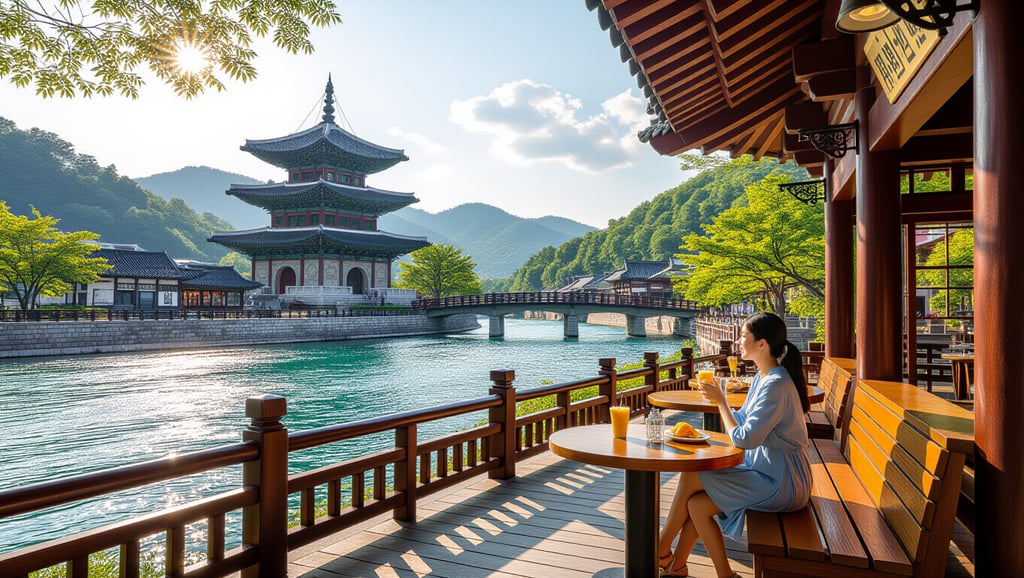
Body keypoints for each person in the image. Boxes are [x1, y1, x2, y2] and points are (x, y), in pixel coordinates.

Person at [658, 312, 812, 578]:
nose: (738, 341)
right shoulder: (763, 377)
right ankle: (687, 568)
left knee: (694, 472)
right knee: (697, 505)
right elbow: (743, 422)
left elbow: (744, 438)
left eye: (743, 336)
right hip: (770, 472)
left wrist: (720, 402)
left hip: (783, 481)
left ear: (762, 344)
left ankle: (659, 549)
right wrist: (723, 400)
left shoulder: (776, 384)